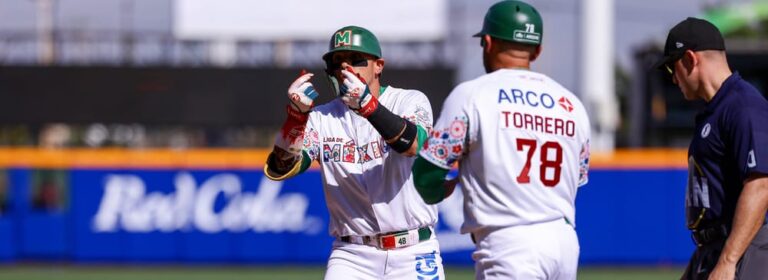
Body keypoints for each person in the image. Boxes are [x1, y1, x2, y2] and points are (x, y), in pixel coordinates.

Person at [411, 1, 590, 279]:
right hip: (564, 241)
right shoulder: (572, 105)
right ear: (537, 50)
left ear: (489, 42)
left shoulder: (473, 95)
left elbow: (426, 174)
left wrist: (436, 192)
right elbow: (576, 179)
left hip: (510, 242)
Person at [263, 25, 443, 279]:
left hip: (413, 249)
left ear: (378, 65)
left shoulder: (410, 100)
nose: (346, 68)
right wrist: (296, 118)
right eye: (338, 61)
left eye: (356, 59)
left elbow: (415, 145)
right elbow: (281, 168)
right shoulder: (321, 117)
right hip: (352, 255)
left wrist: (367, 106)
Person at [653, 17, 768, 280]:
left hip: (743, 248)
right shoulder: (716, 110)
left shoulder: (743, 105)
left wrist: (728, 260)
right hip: (713, 248)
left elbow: (761, 184)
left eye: (672, 68)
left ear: (690, 59)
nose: (673, 79)